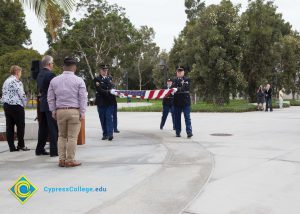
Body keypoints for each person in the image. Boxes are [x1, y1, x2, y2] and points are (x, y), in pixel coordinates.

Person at [47, 57, 87, 167]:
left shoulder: (54, 80)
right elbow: (83, 98)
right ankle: (70, 160)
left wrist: (53, 110)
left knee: (61, 136)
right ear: (74, 67)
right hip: (74, 111)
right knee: (72, 137)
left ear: (63, 67)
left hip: (60, 111)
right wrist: (82, 112)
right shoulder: (79, 80)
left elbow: (50, 97)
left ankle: (61, 160)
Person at [1, 65, 29, 152]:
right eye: (20, 72)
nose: (20, 74)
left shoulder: (6, 81)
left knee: (9, 126)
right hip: (16, 106)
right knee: (20, 126)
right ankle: (21, 145)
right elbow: (21, 94)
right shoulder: (16, 81)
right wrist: (24, 104)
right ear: (17, 72)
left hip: (7, 106)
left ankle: (11, 147)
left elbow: (3, 93)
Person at [35, 55, 58, 157]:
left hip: (43, 103)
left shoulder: (39, 74)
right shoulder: (50, 75)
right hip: (50, 104)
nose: (53, 65)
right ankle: (54, 151)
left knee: (43, 128)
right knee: (53, 128)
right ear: (49, 64)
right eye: (52, 63)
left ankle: (39, 149)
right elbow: (56, 89)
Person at [94, 65, 117, 141]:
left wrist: (115, 91)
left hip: (110, 101)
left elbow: (113, 87)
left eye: (106, 70)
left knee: (109, 117)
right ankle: (105, 134)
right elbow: (99, 89)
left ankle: (110, 134)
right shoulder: (97, 79)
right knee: (103, 118)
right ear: (100, 71)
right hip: (101, 102)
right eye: (104, 70)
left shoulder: (110, 78)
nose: (105, 71)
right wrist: (108, 91)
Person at [172, 66, 193, 138]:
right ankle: (178, 132)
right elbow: (172, 87)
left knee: (187, 117)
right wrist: (177, 88)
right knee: (177, 118)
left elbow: (185, 87)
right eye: (178, 71)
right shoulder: (174, 80)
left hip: (185, 101)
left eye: (181, 71)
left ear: (183, 72)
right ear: (176, 73)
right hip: (177, 101)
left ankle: (189, 132)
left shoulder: (187, 79)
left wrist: (177, 89)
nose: (179, 72)